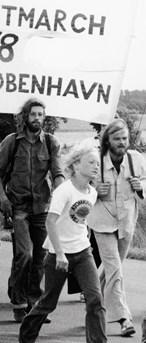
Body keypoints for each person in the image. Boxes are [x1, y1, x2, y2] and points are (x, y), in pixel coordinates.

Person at [19, 146, 106, 343]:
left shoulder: (92, 192)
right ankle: (26, 336)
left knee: (95, 299)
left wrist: (86, 243)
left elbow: (82, 221)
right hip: (58, 254)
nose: (96, 167)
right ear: (75, 165)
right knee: (48, 302)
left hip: (83, 252)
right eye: (91, 162)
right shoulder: (64, 191)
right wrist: (59, 254)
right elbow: (50, 222)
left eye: (97, 163)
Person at [0, 98, 64, 323]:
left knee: (41, 258)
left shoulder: (51, 142)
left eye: (41, 115)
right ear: (25, 117)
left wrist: (63, 196)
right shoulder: (12, 142)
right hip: (19, 207)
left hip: (42, 208)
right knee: (24, 255)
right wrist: (2, 199)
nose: (37, 119)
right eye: (33, 114)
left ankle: (34, 303)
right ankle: (19, 303)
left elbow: (58, 173)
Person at [90, 118, 146, 337]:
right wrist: (96, 191)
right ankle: (124, 319)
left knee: (112, 270)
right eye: (117, 139)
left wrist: (141, 187)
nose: (122, 142)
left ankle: (94, 305)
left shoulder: (136, 159)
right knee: (115, 270)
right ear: (107, 141)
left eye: (124, 138)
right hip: (102, 222)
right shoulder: (95, 160)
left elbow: (145, 184)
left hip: (126, 222)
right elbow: (80, 187)